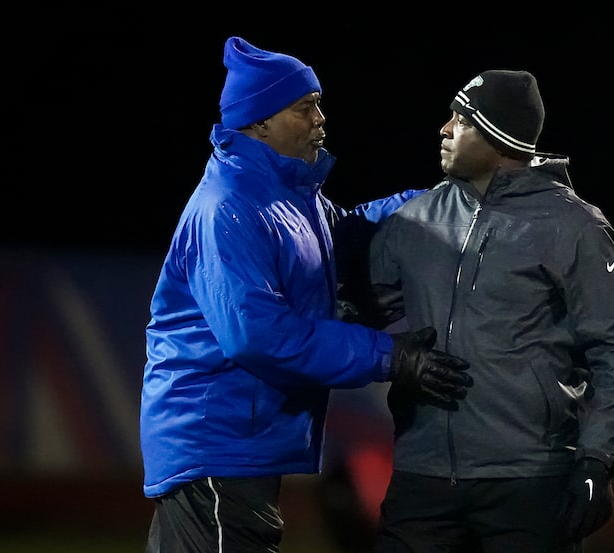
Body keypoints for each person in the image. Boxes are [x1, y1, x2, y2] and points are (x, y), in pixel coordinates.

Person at [138, 36, 473, 553]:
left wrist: (436, 202)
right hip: (213, 443)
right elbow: (260, 336)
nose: (320, 119)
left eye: (318, 104)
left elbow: (349, 234)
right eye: (304, 107)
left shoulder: (285, 196)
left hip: (237, 442)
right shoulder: (228, 207)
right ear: (259, 122)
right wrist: (391, 357)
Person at [363, 69, 614, 552]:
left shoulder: (574, 226)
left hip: (529, 479)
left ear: (500, 138)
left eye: (462, 119)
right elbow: (358, 316)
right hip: (422, 476)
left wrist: (596, 460)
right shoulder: (411, 222)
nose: (444, 129)